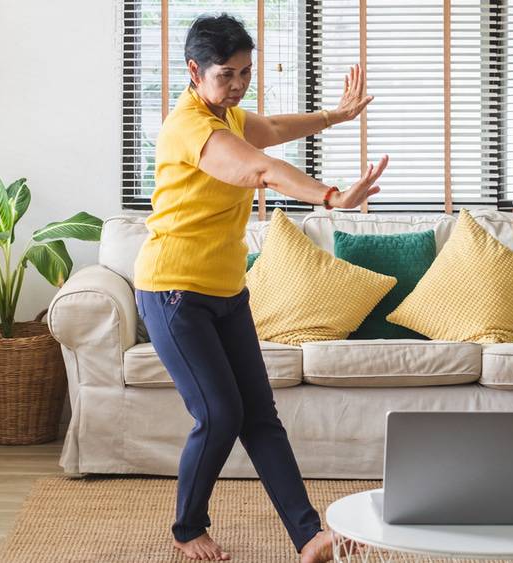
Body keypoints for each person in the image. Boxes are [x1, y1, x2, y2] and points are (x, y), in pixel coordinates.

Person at [132, 14, 387, 562]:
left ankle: (308, 536)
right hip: (174, 293)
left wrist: (334, 116)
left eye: (247, 72)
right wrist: (331, 196)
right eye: (228, 74)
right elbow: (263, 169)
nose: (239, 84)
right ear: (194, 71)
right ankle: (187, 528)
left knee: (259, 416)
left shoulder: (226, 115)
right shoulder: (190, 128)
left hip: (226, 292)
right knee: (220, 414)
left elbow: (269, 130)